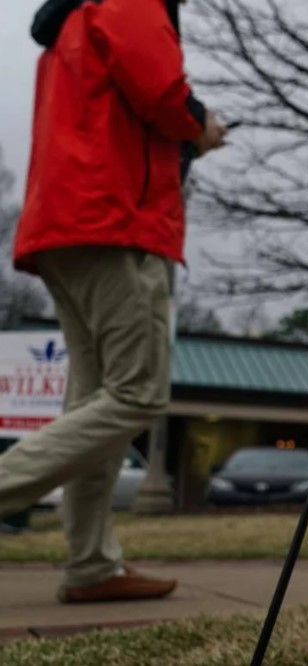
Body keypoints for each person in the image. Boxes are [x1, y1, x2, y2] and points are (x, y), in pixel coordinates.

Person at [0, 0, 227, 603]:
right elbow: (163, 95)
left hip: (67, 223)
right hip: (114, 222)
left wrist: (187, 141)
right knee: (137, 395)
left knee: (95, 404)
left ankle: (93, 566)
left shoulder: (74, 17)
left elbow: (120, 115)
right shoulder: (129, 0)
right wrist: (201, 125)